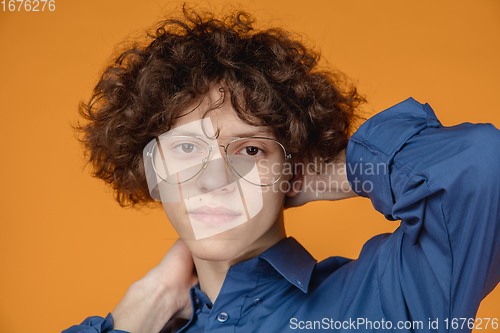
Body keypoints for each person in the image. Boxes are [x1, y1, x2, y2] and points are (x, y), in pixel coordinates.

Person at [63, 6, 500, 333]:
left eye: (250, 149)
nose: (213, 179)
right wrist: (136, 312)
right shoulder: (135, 323)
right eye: (187, 147)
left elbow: (482, 164)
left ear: (292, 166)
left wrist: (341, 173)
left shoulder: (384, 301)